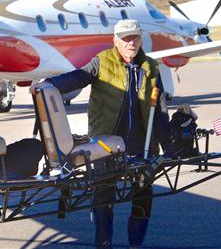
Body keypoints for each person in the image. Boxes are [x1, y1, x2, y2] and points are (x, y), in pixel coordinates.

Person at [30, 19, 173, 248]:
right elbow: (77, 77)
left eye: (135, 37)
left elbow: (160, 111)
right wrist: (48, 84)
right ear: (115, 40)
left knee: (143, 196)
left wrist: (169, 145)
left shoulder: (151, 67)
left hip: (141, 143)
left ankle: (136, 244)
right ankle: (103, 243)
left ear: (140, 39)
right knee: (104, 196)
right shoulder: (102, 62)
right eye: (126, 38)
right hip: (106, 145)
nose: (131, 43)